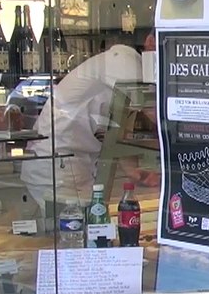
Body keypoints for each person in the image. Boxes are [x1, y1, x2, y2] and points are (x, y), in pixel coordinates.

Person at [20, 40, 150, 211]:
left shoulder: (118, 69)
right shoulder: (125, 61)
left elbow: (117, 129)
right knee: (73, 230)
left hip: (67, 163)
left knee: (86, 227)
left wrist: (133, 171)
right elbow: (155, 110)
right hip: (58, 165)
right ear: (149, 41)